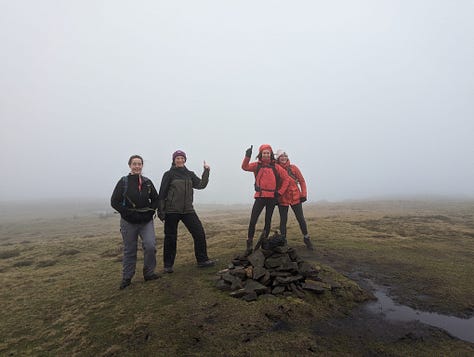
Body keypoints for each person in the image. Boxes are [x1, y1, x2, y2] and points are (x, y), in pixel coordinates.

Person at [157, 150, 215, 273]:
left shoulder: (190, 174)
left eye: (182, 158)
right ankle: (168, 266)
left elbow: (201, 185)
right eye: (177, 158)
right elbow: (162, 193)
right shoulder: (169, 174)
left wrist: (206, 171)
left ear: (185, 160)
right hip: (172, 211)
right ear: (174, 160)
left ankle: (202, 260)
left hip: (188, 210)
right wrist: (161, 211)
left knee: (199, 233)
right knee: (170, 238)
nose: (180, 160)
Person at [111, 155, 161, 290]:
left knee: (150, 246)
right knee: (130, 250)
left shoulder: (147, 182)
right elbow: (114, 201)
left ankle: (149, 273)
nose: (137, 166)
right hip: (128, 221)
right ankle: (127, 278)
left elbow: (156, 199)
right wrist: (127, 214)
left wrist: (151, 212)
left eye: (139, 164)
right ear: (130, 165)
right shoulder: (123, 182)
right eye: (134, 164)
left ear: (142, 166)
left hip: (146, 221)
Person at [241, 144, 290, 255]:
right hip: (260, 197)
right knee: (253, 220)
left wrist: (280, 192)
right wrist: (247, 156)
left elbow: (286, 178)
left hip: (272, 198)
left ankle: (264, 242)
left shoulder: (276, 167)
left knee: (268, 221)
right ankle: (249, 244)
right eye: (264, 153)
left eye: (268, 153)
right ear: (261, 154)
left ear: (271, 154)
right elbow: (244, 167)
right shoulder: (257, 165)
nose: (266, 155)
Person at [275, 149, 313, 250]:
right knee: (283, 220)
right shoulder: (276, 169)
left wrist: (303, 194)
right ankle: (283, 241)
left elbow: (302, 181)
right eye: (281, 156)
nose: (283, 158)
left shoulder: (293, 168)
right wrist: (275, 197)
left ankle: (306, 238)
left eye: (285, 156)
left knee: (301, 218)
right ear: (278, 158)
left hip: (296, 197)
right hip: (282, 198)